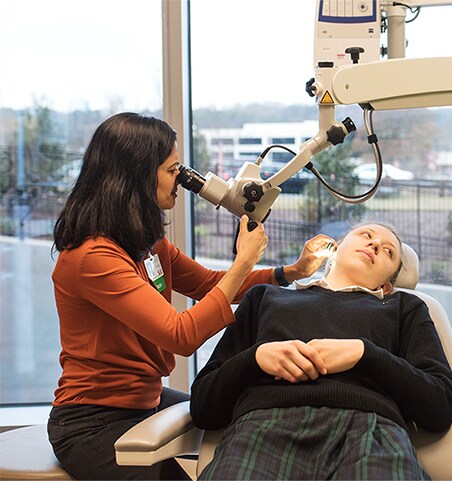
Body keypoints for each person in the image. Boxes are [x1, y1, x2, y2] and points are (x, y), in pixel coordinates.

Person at [48, 112, 332, 480]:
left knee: (239, 421)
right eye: (173, 170)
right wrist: (243, 261)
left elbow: (208, 284)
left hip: (145, 401)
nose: (182, 180)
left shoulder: (144, 243)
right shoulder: (93, 257)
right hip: (93, 421)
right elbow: (181, 336)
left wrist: (290, 272)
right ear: (137, 174)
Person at [190, 223, 452, 481]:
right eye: (366, 235)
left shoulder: (404, 308)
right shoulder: (265, 298)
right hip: (263, 428)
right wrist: (255, 359)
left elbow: (440, 405)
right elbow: (203, 406)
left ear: (387, 285)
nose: (375, 244)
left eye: (388, 251)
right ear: (337, 247)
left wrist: (366, 355)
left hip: (370, 434)